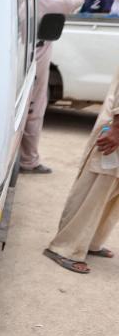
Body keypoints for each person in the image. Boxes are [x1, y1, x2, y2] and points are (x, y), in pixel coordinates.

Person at [44, 65, 119, 273]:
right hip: (116, 128)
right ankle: (64, 248)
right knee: (95, 187)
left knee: (112, 192)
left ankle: (92, 242)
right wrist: (117, 128)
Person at [20, 0, 83, 174]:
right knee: (34, 110)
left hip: (13, 56)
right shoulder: (57, 0)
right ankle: (28, 160)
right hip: (37, 58)